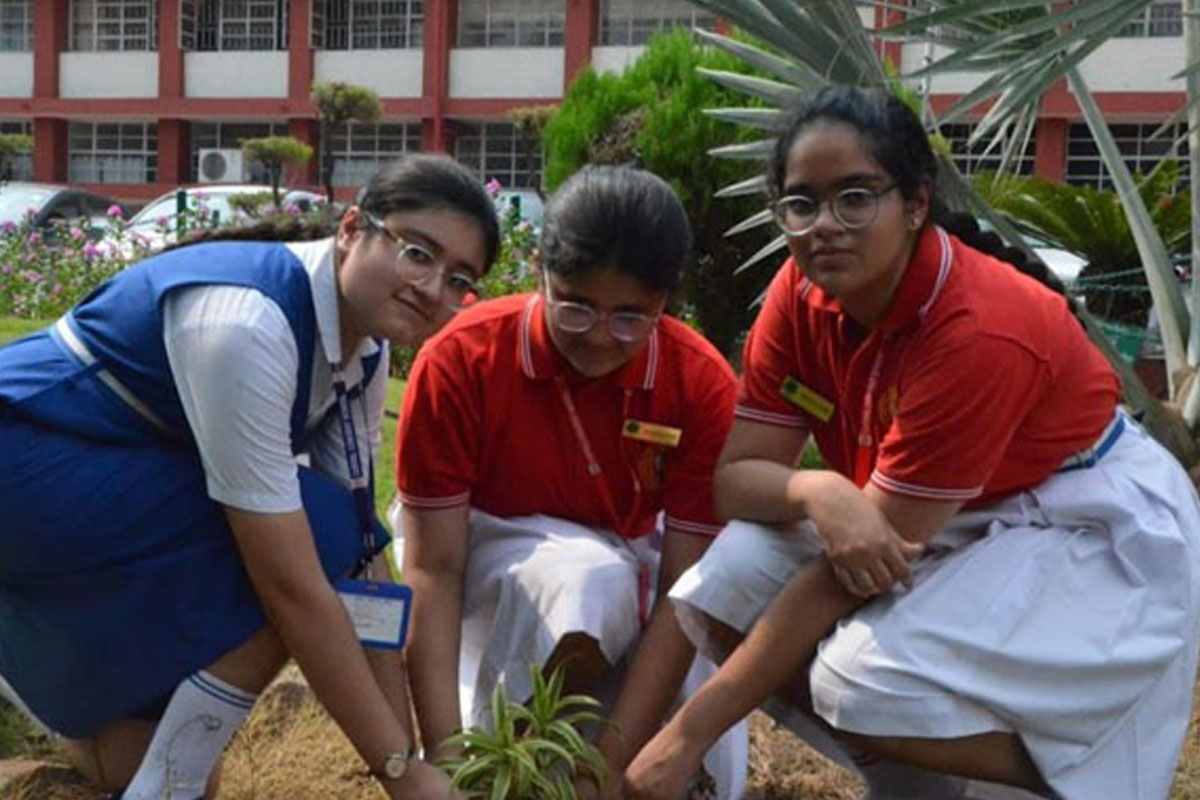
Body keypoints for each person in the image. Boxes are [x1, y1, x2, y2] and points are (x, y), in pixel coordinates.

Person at [622, 86, 1200, 800]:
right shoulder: (799, 299)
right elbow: (736, 479)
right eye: (801, 203)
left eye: (855, 197)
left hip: (1080, 514)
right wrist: (817, 488)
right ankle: (915, 784)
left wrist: (684, 740)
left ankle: (1073, 776)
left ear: (916, 204)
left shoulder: (977, 329)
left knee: (859, 686)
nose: (824, 225)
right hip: (942, 513)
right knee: (728, 578)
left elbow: (851, 571)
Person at [0, 154, 499, 800]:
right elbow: (293, 589)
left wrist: (418, 758)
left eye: (461, 279)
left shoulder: (364, 353)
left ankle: (70, 695)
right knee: (306, 538)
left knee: (145, 769)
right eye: (417, 252)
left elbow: (365, 555)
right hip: (26, 456)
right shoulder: (247, 323)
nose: (434, 288)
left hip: (108, 481)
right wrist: (400, 772)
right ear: (351, 228)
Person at [392, 164, 747, 797]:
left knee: (697, 693)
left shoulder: (700, 383)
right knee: (588, 583)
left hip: (642, 549)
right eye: (576, 308)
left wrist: (610, 769)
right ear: (540, 274)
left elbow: (686, 594)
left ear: (666, 303)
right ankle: (499, 761)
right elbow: (434, 571)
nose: (601, 339)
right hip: (486, 544)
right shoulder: (462, 359)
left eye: (630, 318)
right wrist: (447, 760)